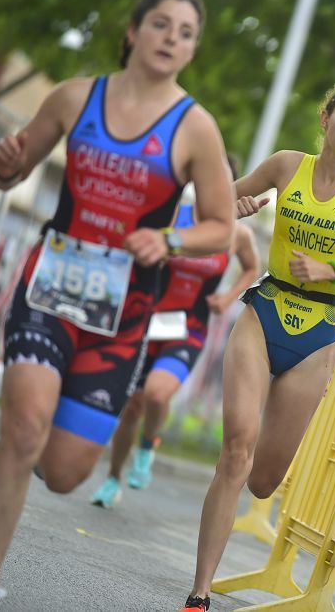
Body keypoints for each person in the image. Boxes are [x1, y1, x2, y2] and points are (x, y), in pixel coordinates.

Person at [0, 0, 236, 612]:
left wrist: (170, 237)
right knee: (23, 429)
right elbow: (15, 170)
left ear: (191, 51)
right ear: (133, 31)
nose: (171, 39)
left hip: (124, 314)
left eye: (185, 33)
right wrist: (2, 167)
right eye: (161, 24)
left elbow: (222, 224)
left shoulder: (195, 128)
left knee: (63, 471)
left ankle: (64, 441)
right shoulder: (75, 98)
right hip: (51, 283)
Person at [178, 82, 335, 612]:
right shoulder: (285, 165)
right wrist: (241, 206)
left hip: (318, 333)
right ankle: (199, 593)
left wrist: (334, 270)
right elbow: (217, 206)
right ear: (325, 119)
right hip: (265, 312)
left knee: (261, 480)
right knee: (236, 451)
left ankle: (246, 505)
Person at [91, 165, 261, 507]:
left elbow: (252, 267)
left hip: (189, 329)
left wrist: (228, 297)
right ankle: (112, 479)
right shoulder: (172, 216)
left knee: (156, 394)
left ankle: (148, 444)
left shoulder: (236, 234)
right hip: (146, 321)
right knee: (133, 405)